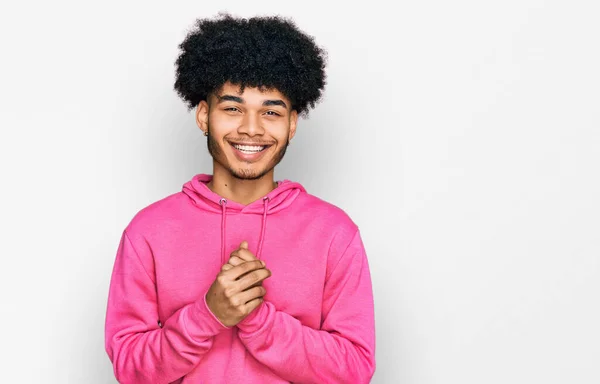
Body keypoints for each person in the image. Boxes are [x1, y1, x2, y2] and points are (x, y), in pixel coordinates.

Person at [104, 13, 376, 384]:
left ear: (292, 124)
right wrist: (208, 315)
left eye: (271, 111)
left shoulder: (334, 233)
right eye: (233, 108)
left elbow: (355, 370)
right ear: (204, 115)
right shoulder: (148, 231)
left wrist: (258, 320)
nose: (251, 128)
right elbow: (130, 368)